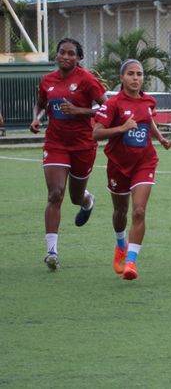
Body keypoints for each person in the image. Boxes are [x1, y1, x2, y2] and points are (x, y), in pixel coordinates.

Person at [30, 38, 107, 270]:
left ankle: (87, 200)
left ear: (78, 58)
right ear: (56, 55)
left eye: (71, 53)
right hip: (55, 144)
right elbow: (40, 104)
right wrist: (36, 118)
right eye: (62, 52)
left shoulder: (87, 80)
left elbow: (107, 107)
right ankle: (51, 252)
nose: (65, 56)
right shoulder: (47, 80)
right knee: (55, 194)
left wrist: (79, 110)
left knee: (75, 196)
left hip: (83, 145)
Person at [93, 59, 171, 280]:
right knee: (120, 212)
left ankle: (131, 262)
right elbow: (96, 133)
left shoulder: (148, 101)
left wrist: (161, 138)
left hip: (144, 162)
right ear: (122, 78)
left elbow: (148, 120)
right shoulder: (112, 104)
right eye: (131, 74)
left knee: (138, 211)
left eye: (139, 74)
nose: (135, 78)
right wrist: (122, 128)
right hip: (118, 164)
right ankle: (121, 245)